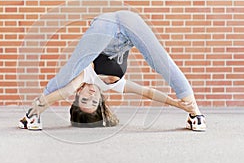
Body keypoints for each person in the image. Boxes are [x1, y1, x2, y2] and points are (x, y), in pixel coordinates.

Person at [18, 10, 206, 131]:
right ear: (101, 101)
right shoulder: (113, 86)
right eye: (93, 101)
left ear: (78, 93)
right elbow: (148, 92)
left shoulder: (85, 76)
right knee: (160, 61)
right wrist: (178, 104)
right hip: (129, 25)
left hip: (104, 25)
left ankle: (32, 115)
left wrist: (35, 109)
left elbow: (65, 90)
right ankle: (195, 115)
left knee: (67, 72)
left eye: (84, 99)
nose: (90, 94)